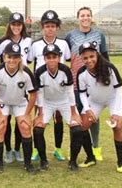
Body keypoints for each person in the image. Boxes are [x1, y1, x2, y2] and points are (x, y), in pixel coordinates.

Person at [65, 6, 109, 161]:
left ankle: (96, 147)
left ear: (91, 17)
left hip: (95, 83)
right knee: (76, 118)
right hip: (77, 83)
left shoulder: (99, 34)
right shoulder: (70, 36)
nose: (85, 18)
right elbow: (66, 58)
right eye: (82, 15)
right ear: (78, 17)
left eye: (88, 15)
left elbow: (105, 57)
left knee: (93, 116)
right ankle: (73, 149)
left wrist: (106, 79)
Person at [28, 10, 71, 162]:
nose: (50, 28)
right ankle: (36, 149)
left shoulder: (64, 44)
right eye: (47, 25)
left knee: (58, 118)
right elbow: (29, 64)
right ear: (42, 27)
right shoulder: (35, 45)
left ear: (57, 27)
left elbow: (67, 62)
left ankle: (58, 149)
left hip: (59, 88)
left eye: (53, 25)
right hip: (41, 88)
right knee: (38, 117)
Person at [76, 42, 122, 173]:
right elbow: (81, 92)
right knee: (82, 126)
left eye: (92, 56)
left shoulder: (109, 68)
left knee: (117, 127)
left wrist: (116, 112)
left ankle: (121, 163)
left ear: (97, 55)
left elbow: (119, 89)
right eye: (85, 58)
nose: (89, 60)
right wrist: (87, 108)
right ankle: (90, 158)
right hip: (95, 100)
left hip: (113, 99)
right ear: (81, 58)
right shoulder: (81, 73)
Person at [0, 42, 37, 173]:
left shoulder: (26, 72)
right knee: (0, 127)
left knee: (25, 127)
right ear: (4, 57)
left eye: (15, 57)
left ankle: (28, 163)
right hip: (2, 103)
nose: (12, 60)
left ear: (20, 58)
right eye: (9, 57)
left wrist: (27, 114)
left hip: (20, 102)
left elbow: (33, 94)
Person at [33, 43, 82, 172]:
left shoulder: (65, 70)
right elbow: (40, 94)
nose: (51, 60)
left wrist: (74, 112)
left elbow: (70, 92)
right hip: (47, 102)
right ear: (44, 59)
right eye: (48, 57)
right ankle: (43, 161)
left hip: (65, 102)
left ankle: (73, 162)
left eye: (54, 56)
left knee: (76, 129)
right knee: (38, 129)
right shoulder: (40, 72)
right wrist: (41, 113)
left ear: (59, 58)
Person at [0, 12, 32, 163]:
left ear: (22, 25)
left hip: (22, 83)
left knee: (20, 121)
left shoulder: (28, 41)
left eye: (19, 24)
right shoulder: (3, 42)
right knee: (5, 120)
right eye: (13, 24)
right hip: (6, 84)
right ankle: (8, 150)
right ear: (9, 25)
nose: (16, 27)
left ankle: (17, 149)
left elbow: (29, 61)